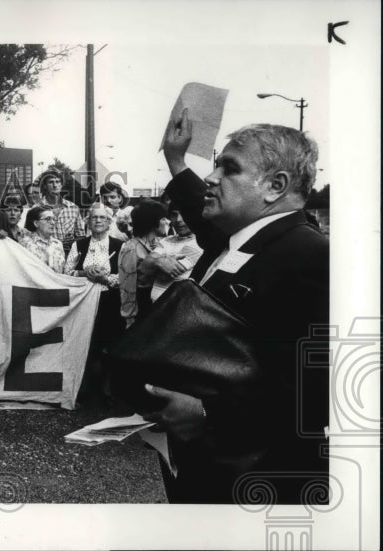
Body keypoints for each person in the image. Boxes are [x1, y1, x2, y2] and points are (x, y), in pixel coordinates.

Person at [142, 109, 329, 504]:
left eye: (229, 169)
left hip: (260, 484)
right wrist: (176, 161)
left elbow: (313, 389)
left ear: (275, 186)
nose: (211, 178)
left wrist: (208, 413)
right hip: (206, 466)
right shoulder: (236, 241)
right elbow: (201, 207)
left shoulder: (312, 257)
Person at [64, 203, 123, 398]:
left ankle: (107, 388)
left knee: (109, 343)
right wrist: (84, 272)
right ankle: (83, 386)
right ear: (87, 222)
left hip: (110, 301)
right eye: (94, 217)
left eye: (102, 218)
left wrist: (104, 279)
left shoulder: (120, 245)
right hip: (83, 302)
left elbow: (125, 278)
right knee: (85, 342)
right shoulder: (78, 245)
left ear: (109, 222)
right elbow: (66, 273)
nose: (98, 221)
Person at [138, 203, 204, 302]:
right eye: (174, 215)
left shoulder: (199, 243)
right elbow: (143, 268)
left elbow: (165, 276)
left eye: (184, 214)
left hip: (178, 309)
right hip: (156, 307)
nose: (178, 220)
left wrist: (154, 262)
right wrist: (159, 262)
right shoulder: (166, 240)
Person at [117, 199, 167, 328]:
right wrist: (129, 319)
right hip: (140, 306)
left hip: (158, 304)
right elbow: (127, 286)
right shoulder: (130, 248)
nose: (167, 222)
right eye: (163, 219)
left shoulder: (159, 243)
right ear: (152, 222)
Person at [35, 169, 86, 253]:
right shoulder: (36, 209)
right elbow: (31, 236)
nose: (55, 185)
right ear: (44, 186)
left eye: (58, 182)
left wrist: (72, 242)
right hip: (45, 256)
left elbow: (81, 236)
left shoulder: (73, 208)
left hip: (69, 256)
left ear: (61, 185)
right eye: (51, 182)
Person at [19, 205, 66, 272]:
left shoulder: (58, 244)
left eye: (53, 219)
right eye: (48, 219)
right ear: (36, 223)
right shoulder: (25, 243)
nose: (52, 223)